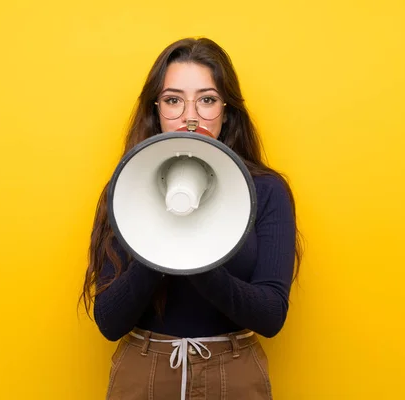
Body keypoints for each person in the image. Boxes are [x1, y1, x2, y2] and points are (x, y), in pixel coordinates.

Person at [80, 37, 303, 400]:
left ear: (227, 110)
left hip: (234, 374)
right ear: (155, 111)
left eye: (207, 99)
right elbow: (109, 320)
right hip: (145, 370)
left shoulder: (267, 191)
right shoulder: (126, 189)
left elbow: (271, 316)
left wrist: (199, 256)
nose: (190, 115)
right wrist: (163, 244)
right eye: (173, 100)